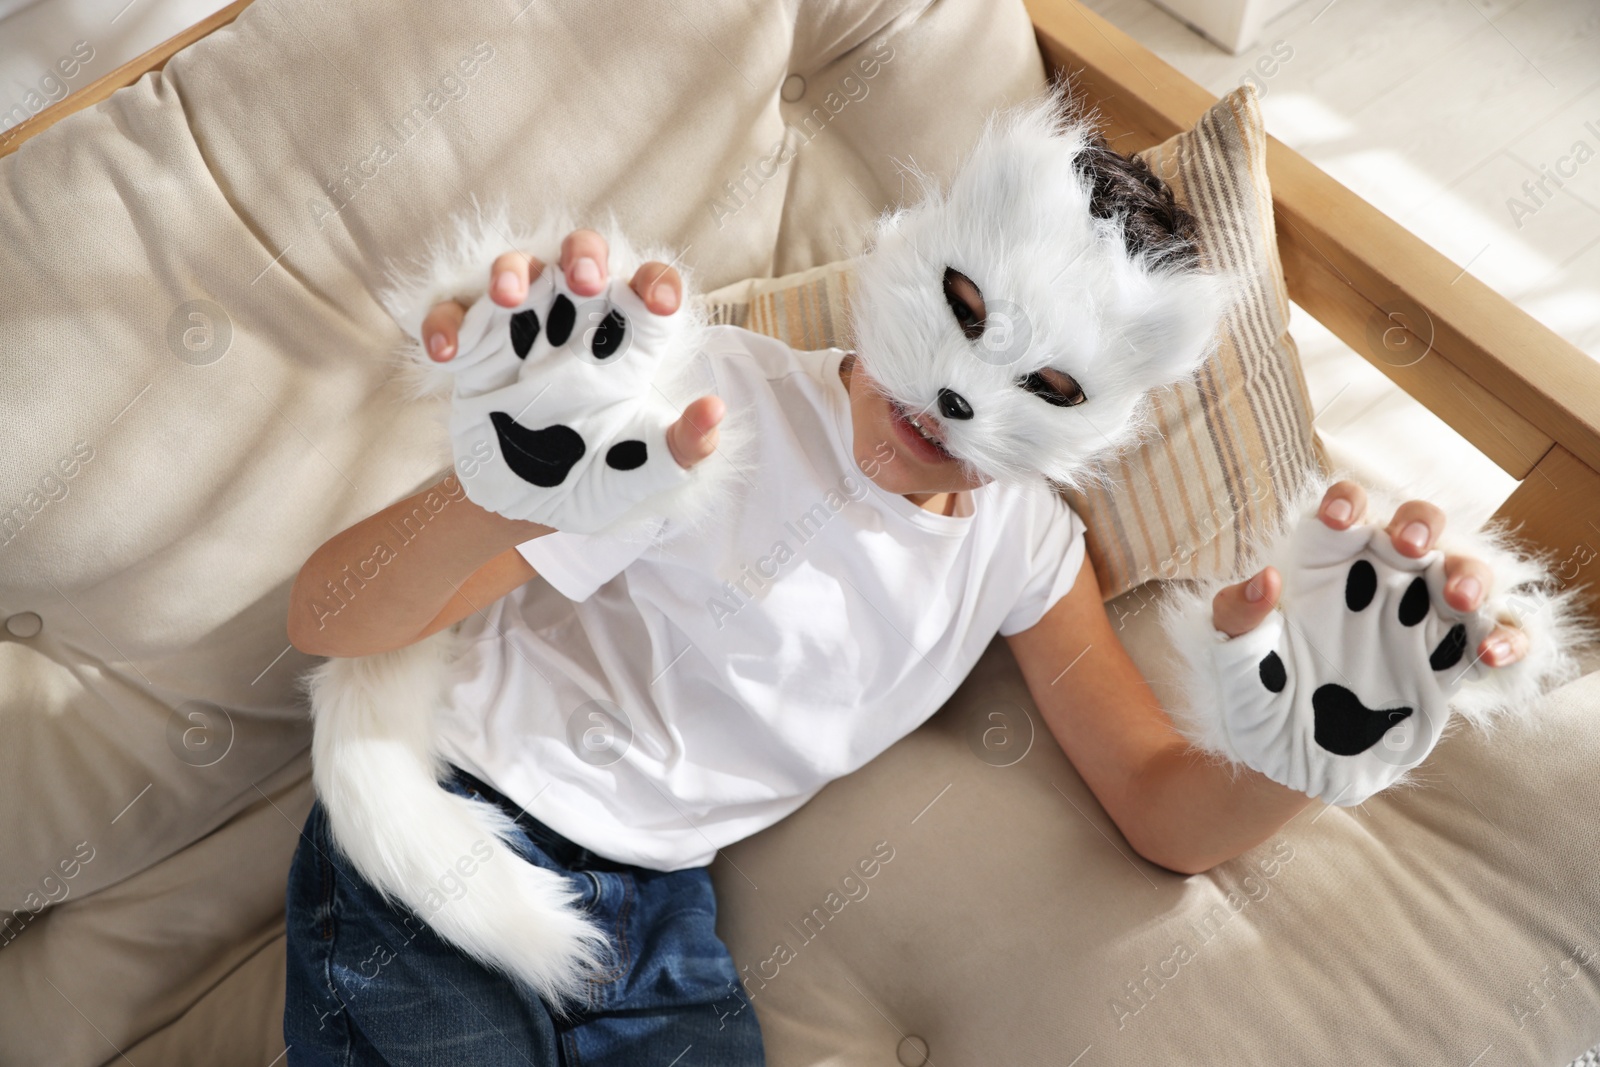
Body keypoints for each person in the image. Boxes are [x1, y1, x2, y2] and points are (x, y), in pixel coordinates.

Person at [280, 219, 1529, 1065]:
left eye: (1047, 385)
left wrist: (1299, 753)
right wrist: (513, 484)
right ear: (905, 259)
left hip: (659, 913)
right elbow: (328, 618)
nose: (957, 396)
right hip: (445, 815)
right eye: (961, 309)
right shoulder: (708, 396)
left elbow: (1162, 807)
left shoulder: (1026, 548)